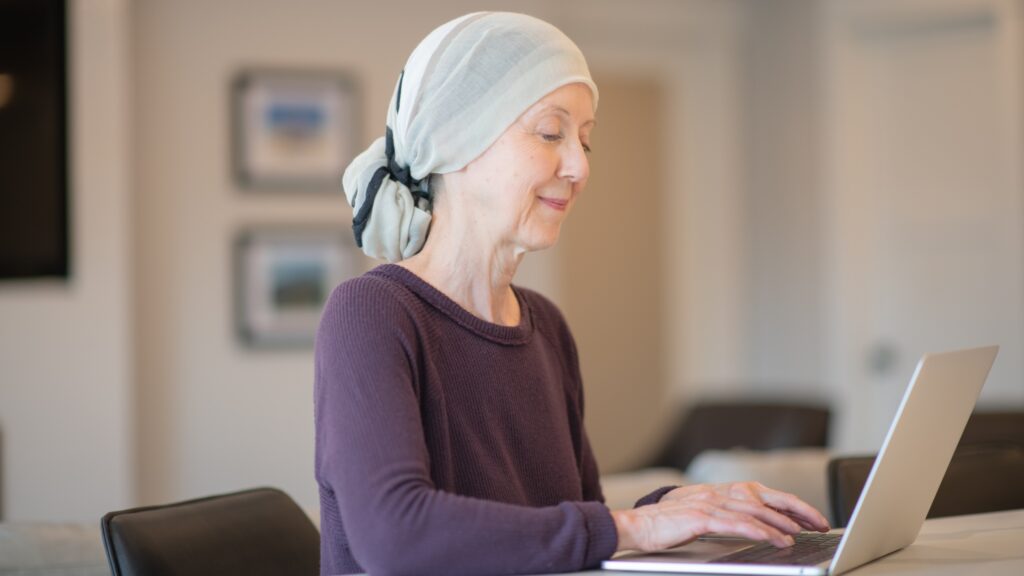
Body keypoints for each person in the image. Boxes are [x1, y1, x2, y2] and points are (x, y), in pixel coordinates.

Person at [314, 11, 830, 576]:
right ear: (455, 143)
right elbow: (396, 538)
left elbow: (571, 532)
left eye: (585, 141)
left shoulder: (547, 328)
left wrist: (677, 511)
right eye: (550, 133)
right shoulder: (373, 313)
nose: (580, 167)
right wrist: (633, 526)